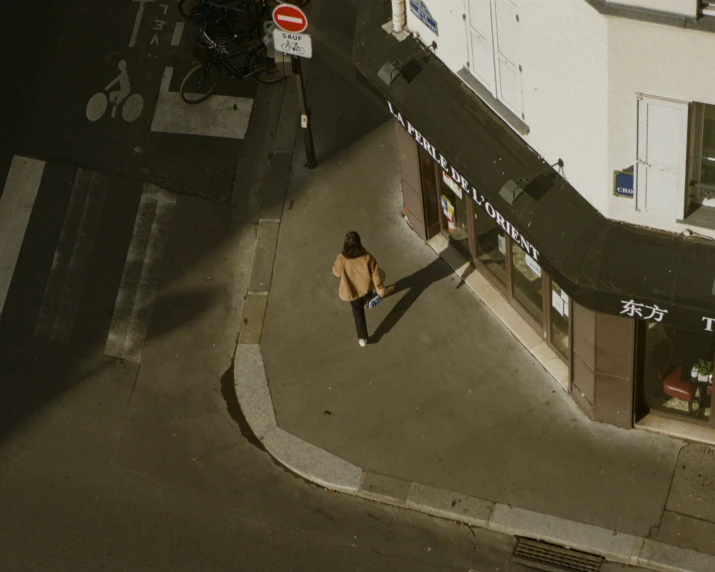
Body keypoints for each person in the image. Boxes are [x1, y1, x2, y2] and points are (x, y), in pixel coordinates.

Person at [332, 231, 386, 347]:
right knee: (373, 289)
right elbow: (375, 273)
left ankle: (363, 338)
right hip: (365, 289)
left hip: (351, 292)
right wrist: (380, 288)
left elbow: (336, 272)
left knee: (358, 314)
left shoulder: (341, 258)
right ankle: (369, 301)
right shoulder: (367, 257)